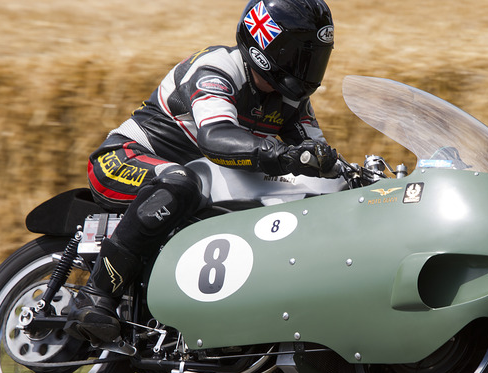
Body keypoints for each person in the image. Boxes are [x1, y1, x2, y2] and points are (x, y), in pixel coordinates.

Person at [64, 0, 338, 345]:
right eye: (298, 55)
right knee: (179, 183)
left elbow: (318, 157)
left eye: (315, 58)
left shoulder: (292, 101)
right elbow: (216, 137)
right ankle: (94, 296)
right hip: (124, 159)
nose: (307, 68)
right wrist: (281, 155)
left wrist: (350, 176)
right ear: (266, 45)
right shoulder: (218, 68)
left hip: (194, 182)